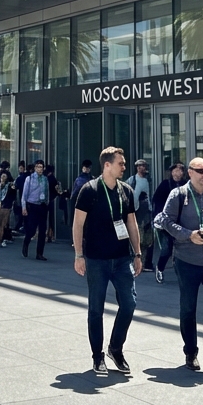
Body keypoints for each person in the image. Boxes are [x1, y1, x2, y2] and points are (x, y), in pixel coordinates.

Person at [153, 156, 203, 372]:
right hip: (187, 261)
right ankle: (191, 352)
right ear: (190, 172)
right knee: (188, 308)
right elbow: (165, 221)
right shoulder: (178, 195)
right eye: (200, 171)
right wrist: (189, 235)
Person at [72, 147, 141, 375]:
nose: (124, 167)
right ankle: (97, 356)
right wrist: (79, 255)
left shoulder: (126, 191)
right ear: (107, 165)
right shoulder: (89, 190)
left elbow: (131, 223)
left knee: (129, 304)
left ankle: (115, 348)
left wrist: (138, 253)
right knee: (96, 309)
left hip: (122, 259)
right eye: (120, 163)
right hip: (96, 260)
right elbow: (78, 224)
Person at [152, 162, 185, 284]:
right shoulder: (165, 185)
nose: (178, 173)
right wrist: (159, 217)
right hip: (166, 222)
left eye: (180, 170)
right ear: (171, 172)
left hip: (181, 221)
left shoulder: (185, 185)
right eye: (175, 170)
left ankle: (182, 272)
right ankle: (160, 268)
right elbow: (156, 201)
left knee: (182, 247)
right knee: (167, 248)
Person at [126, 160, 154, 271]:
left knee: (147, 239)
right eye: (138, 166)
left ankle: (144, 263)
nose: (140, 168)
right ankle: (135, 262)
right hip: (135, 212)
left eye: (142, 166)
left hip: (146, 212)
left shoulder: (149, 180)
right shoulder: (132, 180)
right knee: (136, 237)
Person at [21, 160, 50, 260]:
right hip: (32, 205)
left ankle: (39, 253)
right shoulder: (29, 179)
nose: (39, 169)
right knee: (32, 230)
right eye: (37, 167)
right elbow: (24, 194)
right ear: (34, 168)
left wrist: (47, 202)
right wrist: (24, 207)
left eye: (41, 167)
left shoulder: (45, 179)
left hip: (42, 206)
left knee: (42, 231)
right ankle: (26, 242)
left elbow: (47, 192)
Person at [0, 171, 16, 246]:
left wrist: (10, 203)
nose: (2, 178)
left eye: (4, 176)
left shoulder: (10, 185)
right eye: (1, 176)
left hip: (7, 206)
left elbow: (13, 195)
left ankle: (2, 239)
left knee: (4, 224)